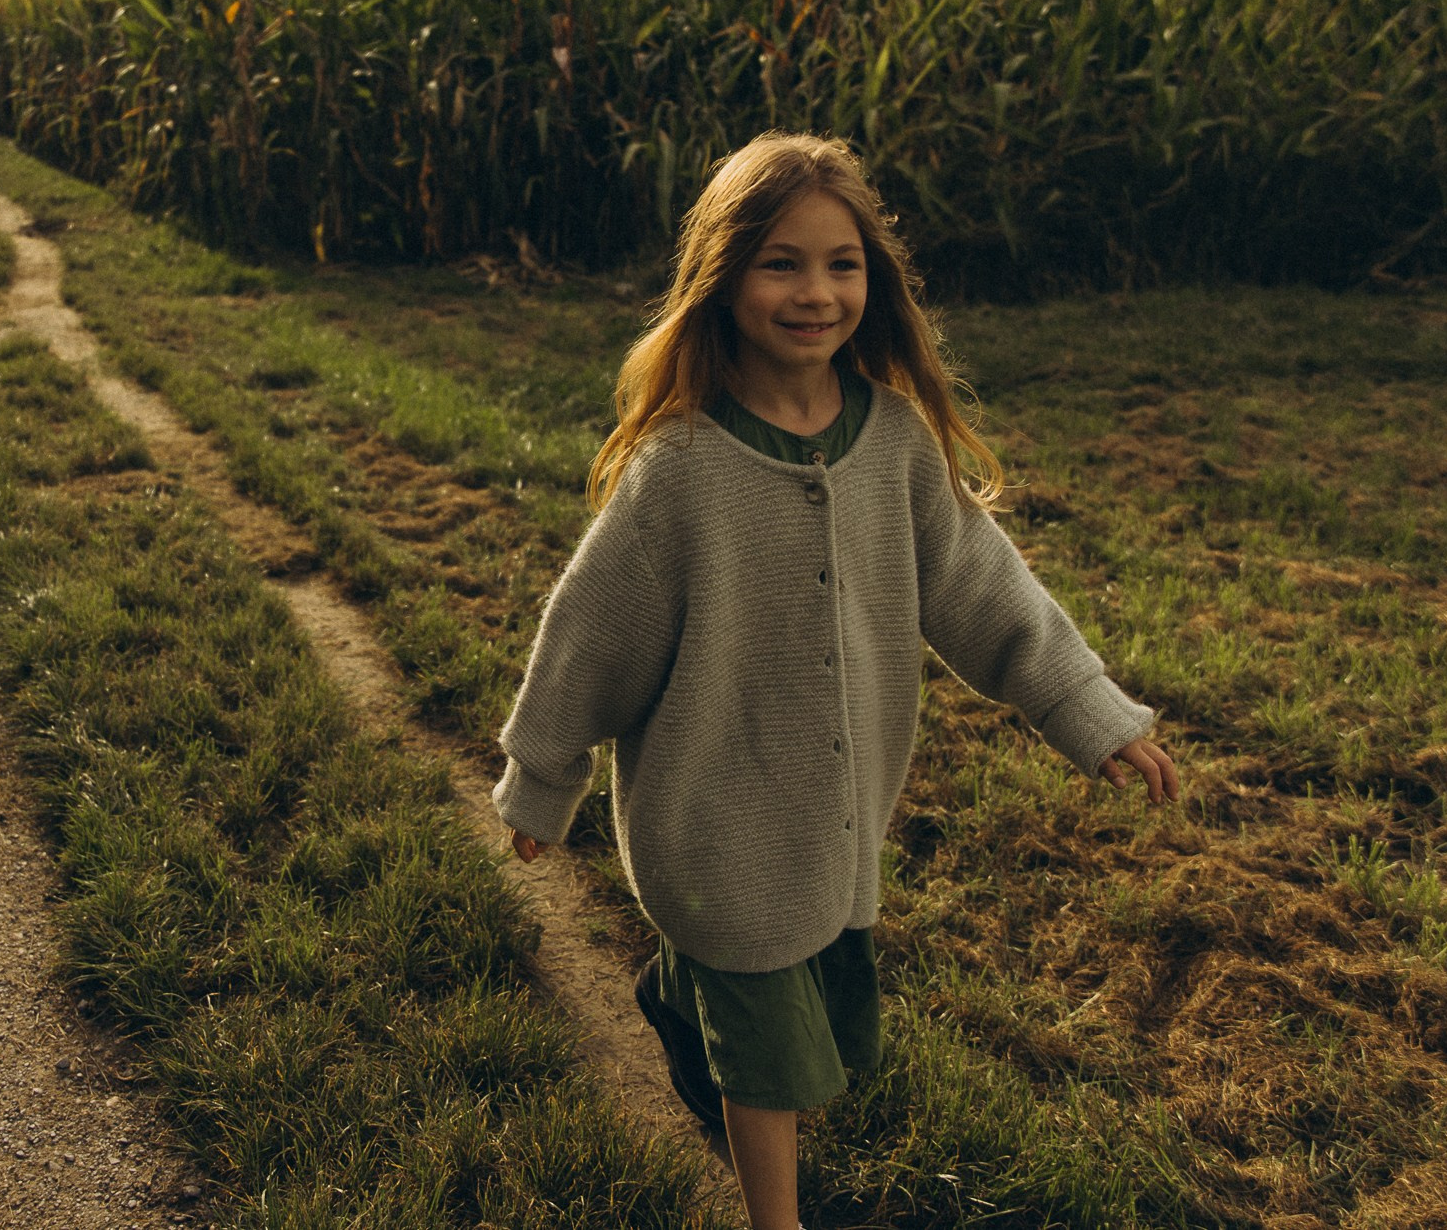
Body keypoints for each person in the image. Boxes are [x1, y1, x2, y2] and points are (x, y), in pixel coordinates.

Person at [494, 132, 1179, 1230]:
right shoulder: (680, 471)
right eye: (780, 262)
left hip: (834, 811)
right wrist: (542, 777)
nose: (815, 291)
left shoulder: (897, 440)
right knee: (772, 1055)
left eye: (841, 262)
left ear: (874, 277)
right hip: (710, 810)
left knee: (818, 1016)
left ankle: (682, 994)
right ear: (722, 279)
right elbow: (591, 634)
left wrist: (1087, 713)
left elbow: (984, 588)